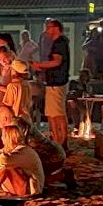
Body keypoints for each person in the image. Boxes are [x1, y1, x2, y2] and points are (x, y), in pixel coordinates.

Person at [0, 114, 44, 198]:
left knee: (6, 169)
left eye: (3, 136)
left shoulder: (24, 151)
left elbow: (3, 160)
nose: (1, 138)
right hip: (18, 186)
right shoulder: (9, 149)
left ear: (8, 137)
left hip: (30, 189)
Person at [32, 19, 71, 148]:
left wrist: (40, 65)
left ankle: (62, 142)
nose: (47, 30)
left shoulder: (60, 43)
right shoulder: (57, 43)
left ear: (56, 28)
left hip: (57, 83)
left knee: (58, 114)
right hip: (53, 82)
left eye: (49, 27)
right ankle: (56, 139)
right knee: (51, 114)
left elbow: (56, 61)